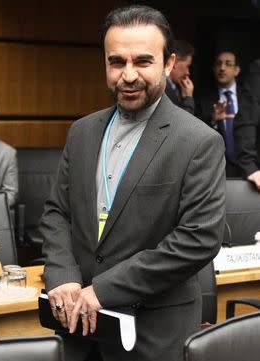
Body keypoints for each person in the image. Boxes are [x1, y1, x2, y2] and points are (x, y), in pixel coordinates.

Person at [39, 5, 225, 361]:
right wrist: (62, 274)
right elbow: (56, 213)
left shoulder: (198, 141)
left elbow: (198, 240)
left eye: (142, 61)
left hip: (152, 335)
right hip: (77, 332)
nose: (128, 75)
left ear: (168, 64)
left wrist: (103, 290)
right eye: (116, 62)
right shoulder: (81, 132)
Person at [196, 51, 260, 186]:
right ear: (213, 68)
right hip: (220, 173)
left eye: (228, 64)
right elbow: (196, 136)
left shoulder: (250, 96)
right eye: (218, 64)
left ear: (236, 70)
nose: (222, 68)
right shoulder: (203, 99)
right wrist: (213, 120)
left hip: (254, 169)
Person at [165, 39, 195, 114]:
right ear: (174, 62)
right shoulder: (162, 89)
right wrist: (188, 98)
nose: (188, 73)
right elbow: (183, 123)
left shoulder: (177, 89)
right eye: (187, 66)